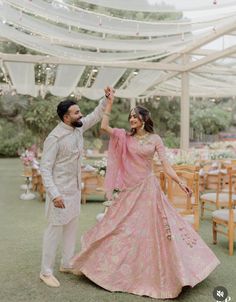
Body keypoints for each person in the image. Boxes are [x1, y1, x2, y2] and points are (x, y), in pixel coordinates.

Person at [71, 88, 220, 299]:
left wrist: (179, 182)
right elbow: (104, 126)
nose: (131, 119)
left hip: (148, 191)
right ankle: (106, 268)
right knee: (119, 228)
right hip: (129, 191)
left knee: (152, 232)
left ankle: (165, 272)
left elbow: (166, 166)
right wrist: (109, 103)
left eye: (135, 116)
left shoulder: (155, 139)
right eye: (130, 116)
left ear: (144, 119)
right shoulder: (125, 137)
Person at [39, 88, 111, 288]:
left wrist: (105, 100)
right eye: (77, 113)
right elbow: (45, 169)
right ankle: (45, 272)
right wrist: (54, 194)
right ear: (65, 117)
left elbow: (95, 116)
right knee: (54, 231)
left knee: (71, 228)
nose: (81, 115)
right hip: (59, 193)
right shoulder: (54, 138)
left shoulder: (78, 128)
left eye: (80, 112)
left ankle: (67, 263)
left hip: (74, 191)